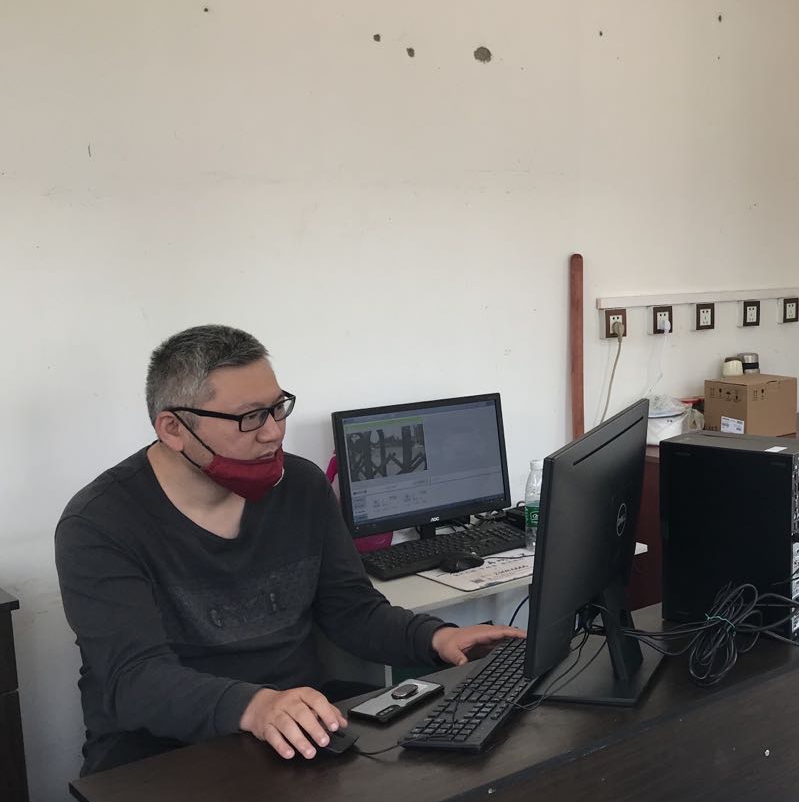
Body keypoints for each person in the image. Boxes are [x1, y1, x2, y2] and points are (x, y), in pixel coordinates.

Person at [55, 325, 522, 775]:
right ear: (174, 429)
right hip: (160, 751)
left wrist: (437, 639)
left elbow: (351, 610)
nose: (273, 433)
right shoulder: (100, 523)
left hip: (296, 720)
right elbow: (134, 680)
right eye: (250, 417)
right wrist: (256, 706)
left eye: (278, 408)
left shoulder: (300, 485)